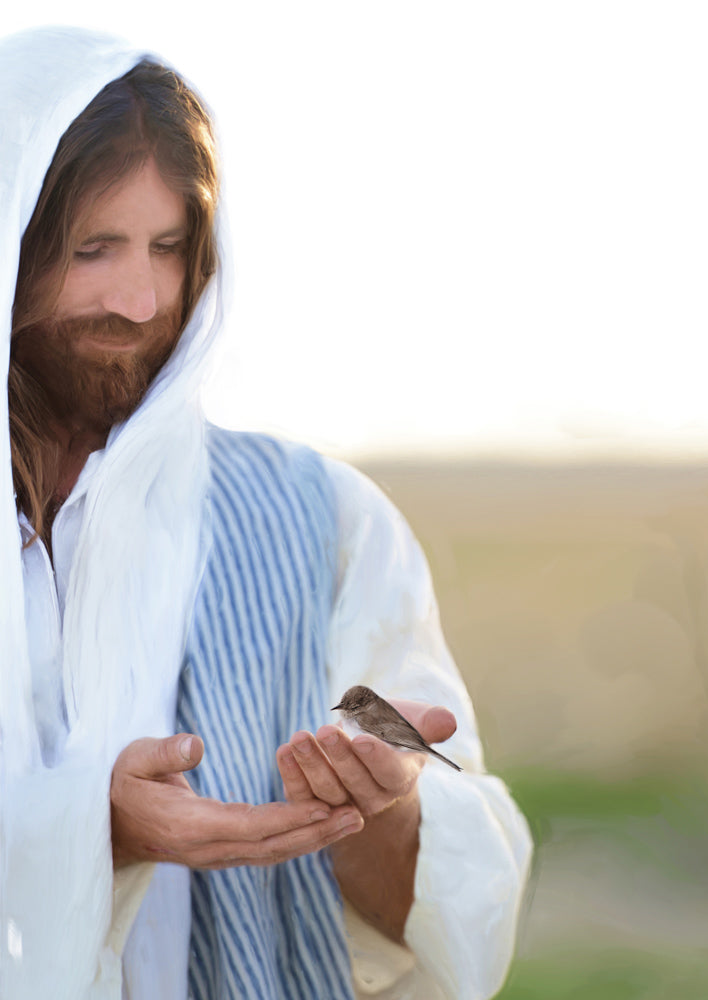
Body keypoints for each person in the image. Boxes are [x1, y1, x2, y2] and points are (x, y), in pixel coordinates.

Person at [0, 25, 532, 1000]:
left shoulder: (320, 518)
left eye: (168, 248)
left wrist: (380, 805)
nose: (138, 297)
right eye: (92, 249)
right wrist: (88, 831)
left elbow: (454, 908)